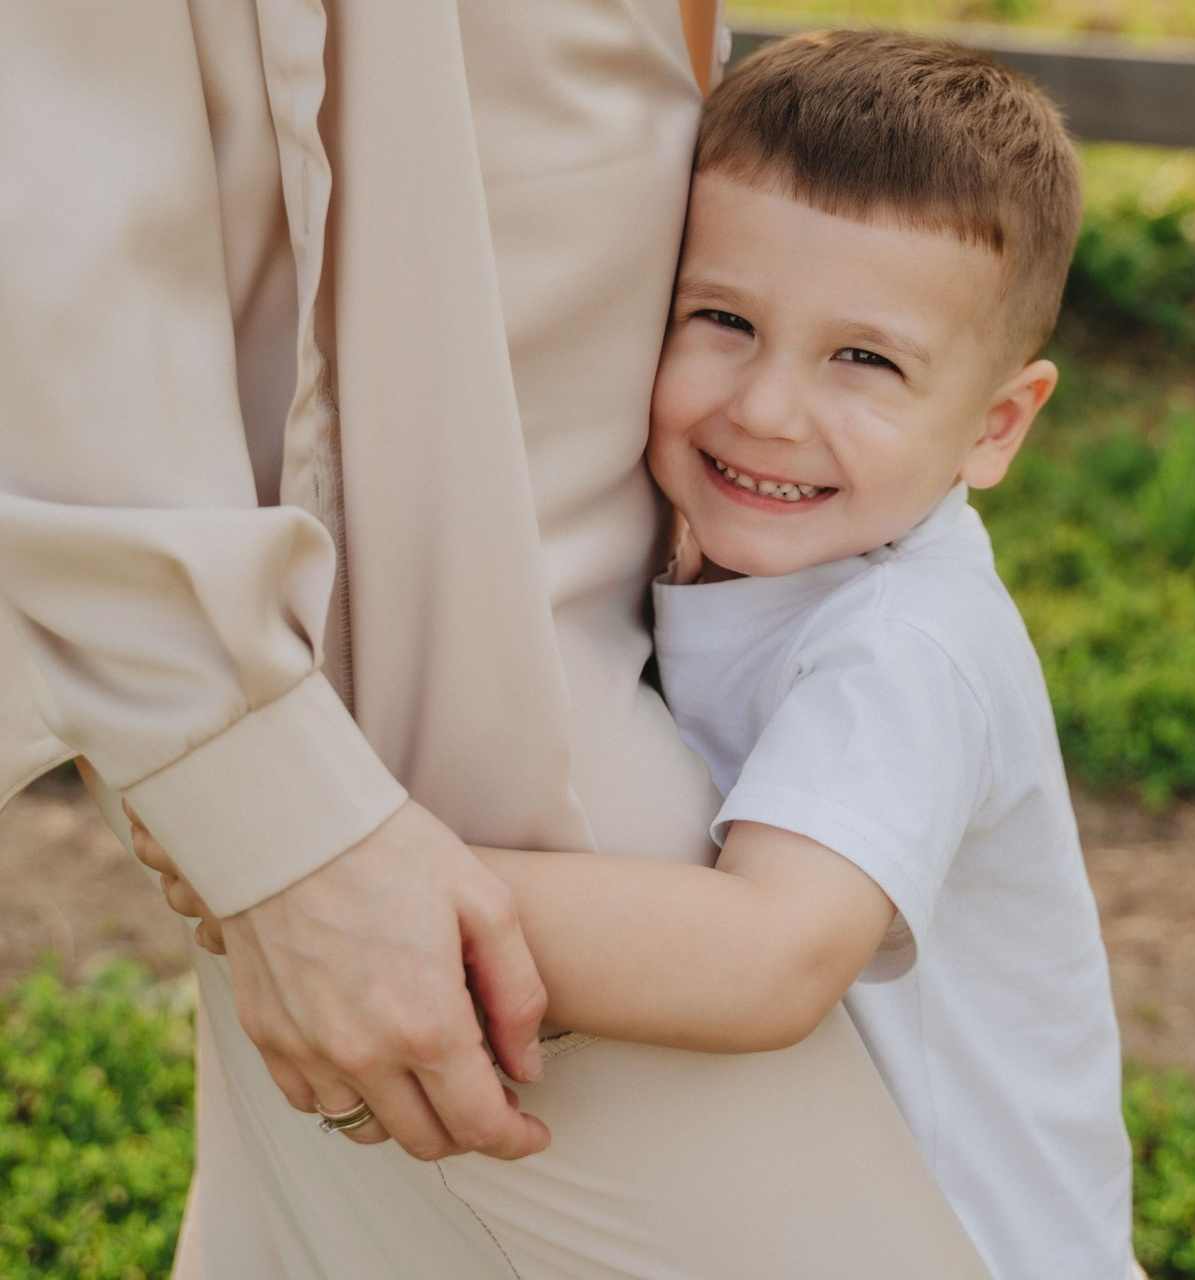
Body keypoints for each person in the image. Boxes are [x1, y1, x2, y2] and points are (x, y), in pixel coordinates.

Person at [0, 5, 997, 1279]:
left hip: (456, 803)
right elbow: (65, 185)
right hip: (413, 769)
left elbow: (770, 955)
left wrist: (290, 846)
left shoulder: (900, 636)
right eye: (729, 329)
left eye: (861, 357)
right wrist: (292, 833)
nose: (767, 403)